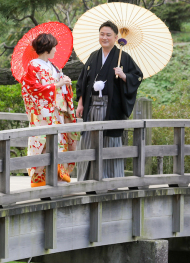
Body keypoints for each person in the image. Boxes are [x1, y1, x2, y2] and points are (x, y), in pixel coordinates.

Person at [75, 20, 143, 179]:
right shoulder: (93, 56)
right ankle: (88, 178)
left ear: (116, 37)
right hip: (92, 106)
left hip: (111, 107)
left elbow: (137, 77)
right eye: (102, 34)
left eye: (108, 35)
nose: (104, 38)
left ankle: (112, 179)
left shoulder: (123, 57)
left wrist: (124, 75)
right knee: (88, 140)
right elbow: (83, 81)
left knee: (110, 142)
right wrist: (80, 104)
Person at [19, 32, 78, 187]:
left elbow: (59, 88)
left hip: (57, 112)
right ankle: (42, 179)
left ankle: (58, 177)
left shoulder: (53, 67)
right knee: (45, 143)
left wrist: (65, 83)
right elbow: (33, 89)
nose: (56, 50)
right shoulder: (33, 66)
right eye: (54, 47)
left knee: (60, 142)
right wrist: (57, 85)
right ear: (47, 48)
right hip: (44, 114)